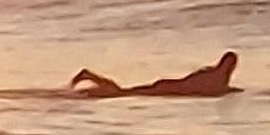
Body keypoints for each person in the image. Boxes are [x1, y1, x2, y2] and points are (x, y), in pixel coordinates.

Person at [69, 49, 239, 98]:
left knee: (125, 92)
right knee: (123, 93)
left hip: (170, 86)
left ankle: (91, 79)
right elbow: (198, 88)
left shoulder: (214, 75)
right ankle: (89, 76)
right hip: (168, 88)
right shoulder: (214, 77)